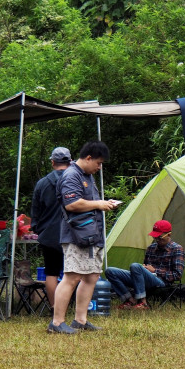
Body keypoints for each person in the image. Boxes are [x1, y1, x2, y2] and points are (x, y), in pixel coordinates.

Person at [48, 141, 122, 334]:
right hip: (76, 235)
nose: (99, 167)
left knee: (91, 277)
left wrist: (105, 203)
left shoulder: (87, 175)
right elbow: (72, 204)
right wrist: (99, 204)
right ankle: (56, 323)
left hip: (92, 235)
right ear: (88, 158)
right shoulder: (72, 175)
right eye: (98, 163)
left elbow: (89, 202)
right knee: (71, 277)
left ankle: (80, 320)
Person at [105, 219, 184, 309]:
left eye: (159, 237)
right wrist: (144, 268)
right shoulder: (151, 248)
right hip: (145, 279)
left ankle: (143, 302)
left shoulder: (177, 249)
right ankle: (129, 300)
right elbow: (144, 266)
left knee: (135, 266)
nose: (157, 239)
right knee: (110, 271)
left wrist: (155, 271)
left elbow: (177, 275)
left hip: (161, 281)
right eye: (155, 237)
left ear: (168, 235)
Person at [30, 146, 71, 309]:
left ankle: (55, 307)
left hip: (49, 236)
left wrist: (38, 230)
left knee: (51, 272)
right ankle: (70, 305)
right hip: (73, 234)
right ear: (69, 161)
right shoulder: (76, 179)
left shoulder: (42, 183)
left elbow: (36, 211)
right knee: (72, 274)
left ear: (53, 162)